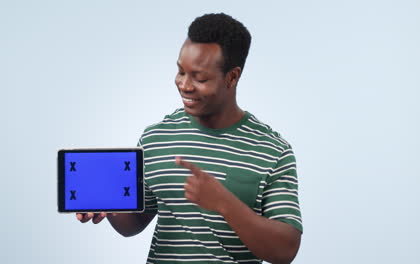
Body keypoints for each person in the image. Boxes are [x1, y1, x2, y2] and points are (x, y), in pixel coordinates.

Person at [77, 13, 302, 264]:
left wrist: (224, 202)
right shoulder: (155, 138)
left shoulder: (272, 150)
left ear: (232, 77)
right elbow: (134, 225)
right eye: (180, 71)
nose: (184, 85)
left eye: (200, 77)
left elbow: (285, 251)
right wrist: (108, 203)